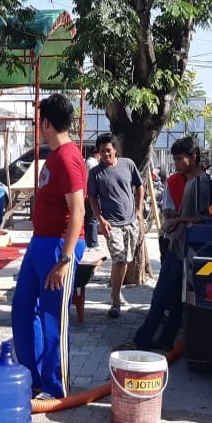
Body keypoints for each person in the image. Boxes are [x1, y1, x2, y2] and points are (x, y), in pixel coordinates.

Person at [10, 93, 86, 400]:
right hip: (40, 244)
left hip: (58, 247)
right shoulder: (53, 156)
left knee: (54, 317)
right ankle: (34, 379)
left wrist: (65, 258)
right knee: (23, 309)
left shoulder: (68, 158)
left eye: (38, 122)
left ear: (45, 123)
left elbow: (78, 211)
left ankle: (56, 388)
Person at [130, 137, 212, 351]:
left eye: (179, 159)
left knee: (161, 295)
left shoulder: (201, 183)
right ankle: (166, 340)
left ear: (192, 157)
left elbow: (202, 218)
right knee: (175, 298)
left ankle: (142, 340)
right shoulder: (190, 181)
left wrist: (177, 221)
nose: (175, 163)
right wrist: (176, 216)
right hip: (180, 244)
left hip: (186, 248)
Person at [87, 133, 144, 319]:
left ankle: (116, 292)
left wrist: (139, 209)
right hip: (112, 225)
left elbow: (139, 185)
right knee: (118, 259)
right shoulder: (95, 173)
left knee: (126, 259)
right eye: (102, 151)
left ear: (115, 150)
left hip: (131, 222)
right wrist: (100, 219)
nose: (105, 154)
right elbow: (92, 198)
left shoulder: (128, 164)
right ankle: (116, 302)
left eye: (108, 150)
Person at [82, 144, 101, 249]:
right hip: (92, 193)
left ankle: (86, 241)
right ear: (97, 154)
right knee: (93, 218)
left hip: (86, 193)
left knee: (88, 218)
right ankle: (93, 243)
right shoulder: (93, 164)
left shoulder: (86, 162)